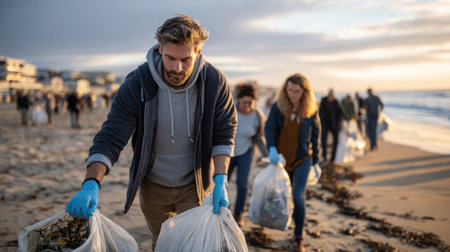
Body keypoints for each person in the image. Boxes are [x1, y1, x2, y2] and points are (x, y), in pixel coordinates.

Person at [65, 14, 237, 249]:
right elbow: (112, 135)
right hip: (153, 185)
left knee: (191, 244)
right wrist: (91, 183)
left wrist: (220, 179)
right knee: (164, 242)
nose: (177, 68)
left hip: (195, 183)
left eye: (186, 59)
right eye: (170, 58)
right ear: (160, 48)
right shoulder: (138, 83)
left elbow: (224, 131)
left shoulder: (214, 82)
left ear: (198, 52)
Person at [265, 73, 320, 251]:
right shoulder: (279, 106)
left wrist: (316, 162)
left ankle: (299, 236)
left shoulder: (311, 109)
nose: (293, 94)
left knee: (298, 196)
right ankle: (287, 223)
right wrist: (271, 148)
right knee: (282, 195)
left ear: (304, 92)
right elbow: (269, 128)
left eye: (297, 91)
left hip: (303, 158)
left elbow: (316, 135)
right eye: (289, 90)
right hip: (281, 159)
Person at [228, 83, 268, 227]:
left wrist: (267, 155)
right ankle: (223, 210)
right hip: (228, 152)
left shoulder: (257, 115)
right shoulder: (230, 111)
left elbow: (258, 137)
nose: (246, 105)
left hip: (246, 152)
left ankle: (238, 213)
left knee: (242, 184)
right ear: (238, 99)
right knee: (223, 182)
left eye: (249, 102)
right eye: (243, 102)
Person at [319, 89, 343, 164]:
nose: (331, 98)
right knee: (323, 141)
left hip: (334, 125)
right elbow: (319, 112)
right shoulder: (323, 101)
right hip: (324, 124)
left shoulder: (336, 102)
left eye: (332, 96)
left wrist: (340, 123)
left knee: (335, 142)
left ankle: (333, 158)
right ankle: (324, 156)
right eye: (330, 96)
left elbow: (341, 113)